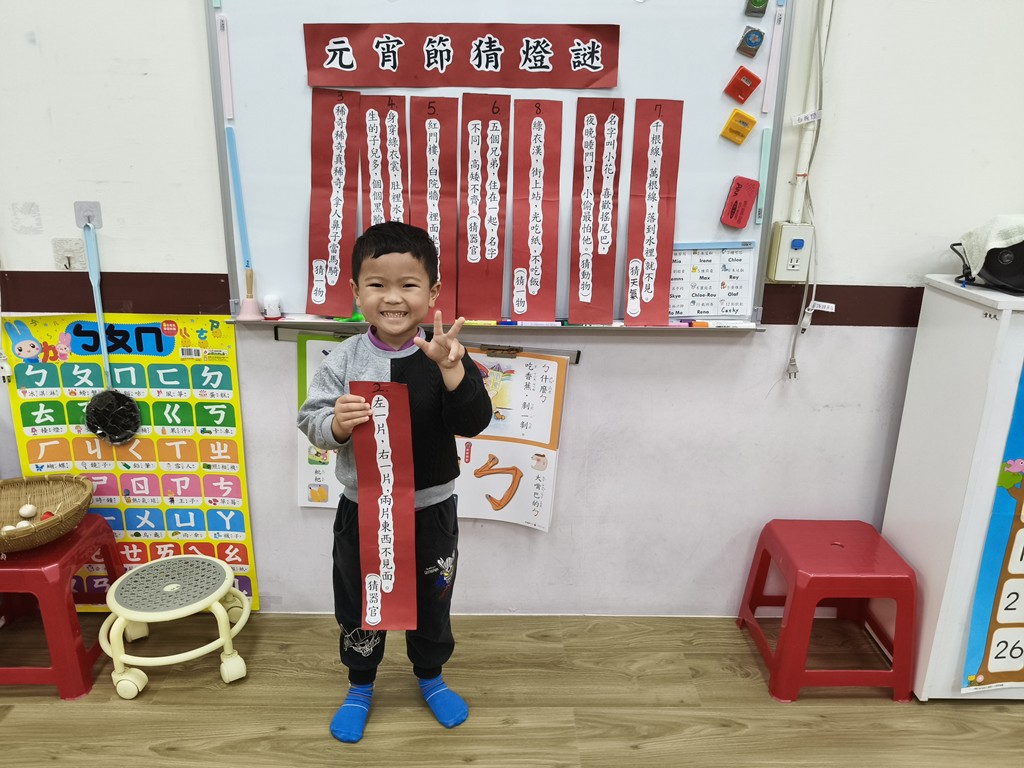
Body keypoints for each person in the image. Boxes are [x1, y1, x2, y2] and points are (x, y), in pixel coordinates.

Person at [297, 221, 493, 743]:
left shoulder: (445, 354)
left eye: (408, 284)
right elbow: (311, 420)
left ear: (432, 292)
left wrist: (453, 372)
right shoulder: (344, 358)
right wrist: (337, 424)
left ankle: (431, 676)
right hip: (363, 510)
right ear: (355, 291)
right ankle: (360, 684)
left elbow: (474, 421)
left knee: (433, 597)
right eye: (377, 284)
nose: (392, 297)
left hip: (431, 510)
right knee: (360, 600)